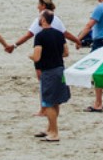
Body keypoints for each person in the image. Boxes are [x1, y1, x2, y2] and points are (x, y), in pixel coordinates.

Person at [6, 0, 80, 116]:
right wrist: (77, 40)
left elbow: (28, 35)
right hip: (56, 53)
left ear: (43, 6)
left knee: (43, 81)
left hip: (42, 52)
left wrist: (14, 45)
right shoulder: (56, 19)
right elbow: (65, 34)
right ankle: (49, 106)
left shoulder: (40, 20)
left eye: (39, 4)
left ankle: (43, 108)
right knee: (52, 80)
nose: (37, 6)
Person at [30, 10, 70, 142]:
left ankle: (54, 132)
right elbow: (66, 53)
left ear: (43, 20)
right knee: (56, 102)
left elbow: (37, 57)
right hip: (60, 69)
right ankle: (50, 129)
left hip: (49, 72)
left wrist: (30, 56)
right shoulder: (59, 34)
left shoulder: (40, 36)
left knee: (48, 103)